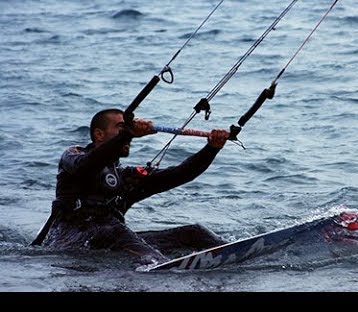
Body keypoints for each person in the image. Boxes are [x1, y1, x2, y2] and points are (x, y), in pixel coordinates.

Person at [35, 108, 230, 266]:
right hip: (69, 241)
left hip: (112, 240)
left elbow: (178, 174)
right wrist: (128, 133)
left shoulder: (124, 176)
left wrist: (211, 149)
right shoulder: (73, 156)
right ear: (99, 134)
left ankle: (233, 252)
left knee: (194, 233)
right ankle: (159, 268)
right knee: (113, 230)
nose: (127, 135)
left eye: (127, 129)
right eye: (121, 128)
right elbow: (87, 165)